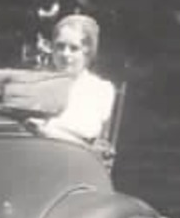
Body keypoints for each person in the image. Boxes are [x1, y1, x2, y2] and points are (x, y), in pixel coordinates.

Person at [28, 13, 116, 144]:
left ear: (87, 52)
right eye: (60, 46)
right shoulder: (40, 82)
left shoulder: (100, 89)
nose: (65, 54)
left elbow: (88, 133)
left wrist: (45, 129)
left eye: (74, 48)